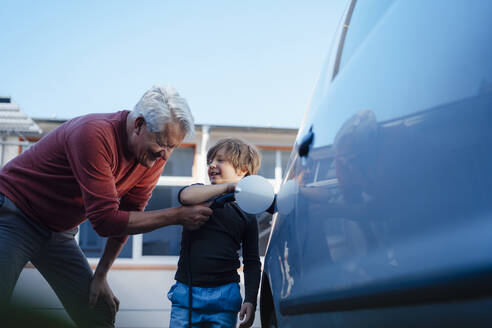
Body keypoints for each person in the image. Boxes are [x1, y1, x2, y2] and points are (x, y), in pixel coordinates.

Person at [0, 85, 213, 327]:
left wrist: (101, 274)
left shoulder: (150, 158)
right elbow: (105, 221)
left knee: (98, 311)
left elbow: (129, 215)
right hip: (14, 214)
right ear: (139, 125)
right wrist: (178, 215)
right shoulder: (93, 134)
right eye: (162, 143)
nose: (165, 156)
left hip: (57, 232)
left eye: (173, 147)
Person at [167, 138, 262, 328]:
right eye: (210, 161)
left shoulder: (247, 214)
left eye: (220, 160)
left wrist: (251, 299)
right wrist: (229, 188)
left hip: (224, 296)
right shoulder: (199, 194)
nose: (212, 165)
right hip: (187, 293)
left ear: (242, 170)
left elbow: (252, 262)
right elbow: (185, 196)